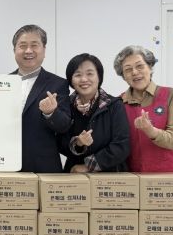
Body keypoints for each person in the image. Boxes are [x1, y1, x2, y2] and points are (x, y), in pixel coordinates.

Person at [113, 45, 173, 174]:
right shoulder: (118, 103)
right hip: (133, 176)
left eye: (140, 66)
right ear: (123, 76)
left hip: (169, 175)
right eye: (128, 69)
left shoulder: (172, 95)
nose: (134, 72)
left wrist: (151, 131)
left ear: (150, 67)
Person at [10, 24, 71, 172]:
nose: (28, 50)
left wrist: (51, 113)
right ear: (14, 50)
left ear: (44, 50)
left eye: (34, 45)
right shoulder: (2, 83)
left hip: (43, 167)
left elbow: (64, 126)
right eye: (22, 46)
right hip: (6, 165)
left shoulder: (58, 84)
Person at [59, 53, 130, 173]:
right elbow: (59, 142)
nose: (84, 79)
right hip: (74, 174)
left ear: (99, 77)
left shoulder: (114, 105)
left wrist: (88, 166)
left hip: (110, 175)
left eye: (90, 73)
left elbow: (122, 145)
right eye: (78, 75)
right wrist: (78, 143)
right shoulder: (66, 105)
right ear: (71, 80)